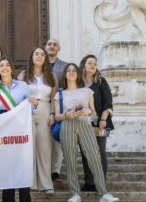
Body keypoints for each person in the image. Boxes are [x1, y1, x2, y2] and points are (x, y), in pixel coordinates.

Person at [55, 63, 119, 202]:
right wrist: (67, 115)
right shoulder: (59, 94)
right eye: (69, 70)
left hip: (85, 124)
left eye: (74, 70)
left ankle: (103, 193)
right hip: (67, 125)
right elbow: (56, 116)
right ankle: (75, 194)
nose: (71, 72)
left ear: (78, 74)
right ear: (65, 75)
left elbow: (94, 112)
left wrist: (88, 111)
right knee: (70, 159)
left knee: (94, 156)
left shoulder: (86, 91)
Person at [0, 58, 31, 202]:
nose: (4, 67)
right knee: (7, 166)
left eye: (7, 65)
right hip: (3, 126)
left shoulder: (23, 85)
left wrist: (35, 103)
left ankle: (25, 199)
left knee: (22, 163)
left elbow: (30, 105)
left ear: (12, 68)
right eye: (1, 65)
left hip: (20, 125)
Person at [17, 47, 57, 194]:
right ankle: (31, 183)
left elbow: (54, 98)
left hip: (45, 109)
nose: (39, 56)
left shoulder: (51, 75)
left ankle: (46, 184)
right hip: (27, 111)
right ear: (31, 57)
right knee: (29, 148)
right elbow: (17, 95)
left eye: (42, 54)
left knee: (45, 148)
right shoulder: (23, 75)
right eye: (36, 54)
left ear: (45, 58)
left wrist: (52, 113)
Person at [79, 54, 114, 193]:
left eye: (95, 64)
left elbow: (108, 102)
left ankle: (101, 182)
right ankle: (89, 182)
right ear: (84, 65)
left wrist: (103, 119)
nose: (93, 65)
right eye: (90, 63)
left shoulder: (101, 81)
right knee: (85, 153)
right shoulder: (78, 83)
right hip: (82, 124)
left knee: (100, 152)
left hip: (101, 123)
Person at [44, 38, 68, 182]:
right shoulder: (38, 64)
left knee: (57, 137)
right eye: (49, 44)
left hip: (58, 105)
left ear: (59, 49)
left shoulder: (65, 66)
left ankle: (55, 171)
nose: (52, 46)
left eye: (55, 45)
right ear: (45, 47)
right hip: (41, 105)